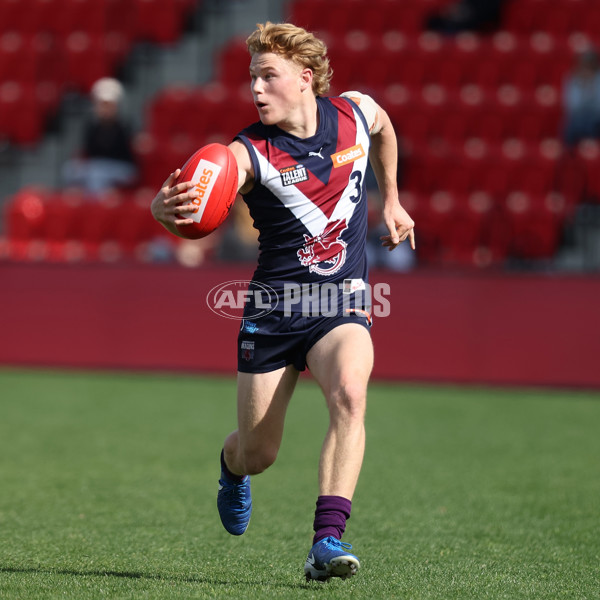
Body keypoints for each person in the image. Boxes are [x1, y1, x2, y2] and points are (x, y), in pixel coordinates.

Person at [150, 22, 415, 582]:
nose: (256, 89)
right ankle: (230, 466)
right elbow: (195, 205)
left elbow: (385, 127)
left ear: (306, 78)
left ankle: (327, 540)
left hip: (341, 302)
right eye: (252, 78)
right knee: (258, 455)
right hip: (274, 312)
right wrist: (162, 210)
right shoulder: (247, 153)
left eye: (268, 76)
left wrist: (391, 198)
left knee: (349, 392)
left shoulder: (355, 114)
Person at [62, 77, 138, 196]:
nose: (105, 108)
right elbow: (89, 152)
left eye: (109, 105)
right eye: (102, 104)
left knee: (97, 174)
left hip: (123, 168)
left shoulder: (124, 127)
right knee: (70, 169)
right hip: (97, 166)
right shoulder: (92, 126)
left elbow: (125, 154)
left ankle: (95, 209)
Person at [562, 47, 600, 147]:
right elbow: (572, 105)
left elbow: (598, 106)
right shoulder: (573, 79)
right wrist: (583, 84)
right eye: (585, 65)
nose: (587, 68)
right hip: (578, 117)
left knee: (592, 122)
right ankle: (570, 158)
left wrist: (590, 86)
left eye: (590, 65)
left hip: (596, 117)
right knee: (571, 125)